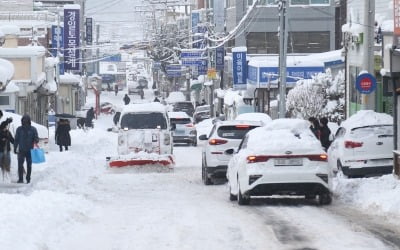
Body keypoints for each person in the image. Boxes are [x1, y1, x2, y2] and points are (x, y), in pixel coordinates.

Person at [14, 115, 39, 184]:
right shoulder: (19, 129)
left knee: (29, 165)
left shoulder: (33, 129)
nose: (25, 122)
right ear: (22, 121)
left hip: (30, 150)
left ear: (29, 121)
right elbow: (16, 139)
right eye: (23, 120)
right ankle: (21, 179)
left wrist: (36, 140)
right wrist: (15, 147)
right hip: (21, 150)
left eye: (26, 120)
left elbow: (36, 138)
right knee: (20, 165)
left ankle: (28, 178)